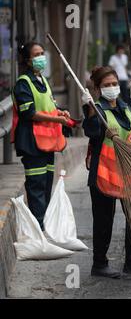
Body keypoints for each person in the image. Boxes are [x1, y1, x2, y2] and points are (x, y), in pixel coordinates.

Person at [81, 66, 131, 279]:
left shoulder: (127, 107)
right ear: (98, 88)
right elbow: (91, 132)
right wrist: (90, 110)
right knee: (104, 220)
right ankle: (99, 265)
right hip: (104, 173)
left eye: (114, 84)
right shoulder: (97, 110)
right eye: (106, 85)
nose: (112, 88)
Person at [12, 42, 70, 231]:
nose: (41, 57)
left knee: (45, 185)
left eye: (42, 53)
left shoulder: (43, 81)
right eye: (36, 54)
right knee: (36, 187)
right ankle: (38, 230)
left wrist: (60, 113)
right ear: (28, 60)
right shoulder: (23, 83)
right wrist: (57, 120)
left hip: (47, 142)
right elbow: (28, 113)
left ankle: (44, 227)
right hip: (31, 143)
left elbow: (49, 107)